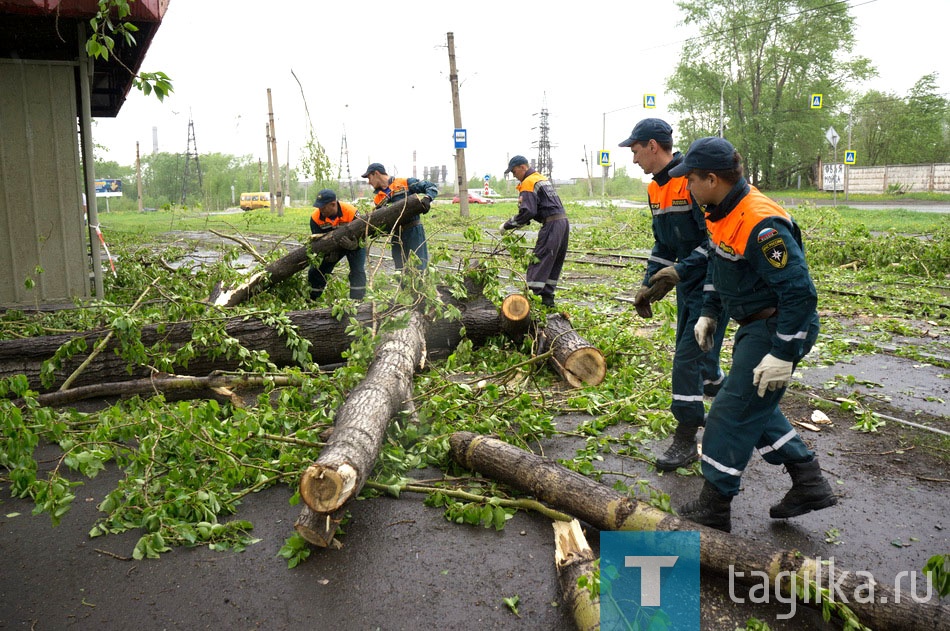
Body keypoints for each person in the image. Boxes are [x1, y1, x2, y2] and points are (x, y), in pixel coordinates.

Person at [669, 136, 836, 533]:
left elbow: (800, 293)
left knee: (729, 411)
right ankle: (809, 481)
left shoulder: (760, 223)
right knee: (756, 405)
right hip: (755, 325)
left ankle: (715, 503)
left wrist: (782, 352)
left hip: (777, 325)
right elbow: (718, 264)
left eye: (691, 179)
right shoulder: (721, 211)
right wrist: (709, 312)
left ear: (712, 179)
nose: (687, 188)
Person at [618, 118, 729, 472]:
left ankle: (685, 439)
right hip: (689, 286)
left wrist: (681, 270)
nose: (634, 159)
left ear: (653, 146)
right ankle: (733, 410)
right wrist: (649, 284)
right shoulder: (655, 189)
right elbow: (665, 242)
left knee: (686, 360)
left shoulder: (691, 180)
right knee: (705, 364)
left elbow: (717, 240)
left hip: (713, 282)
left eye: (635, 151)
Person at [500, 155, 570, 307]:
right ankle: (547, 301)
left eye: (514, 172)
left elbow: (528, 211)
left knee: (539, 261)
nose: (514, 176)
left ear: (523, 167)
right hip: (562, 223)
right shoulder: (541, 178)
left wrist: (508, 225)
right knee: (552, 262)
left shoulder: (528, 182)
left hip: (551, 224)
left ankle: (531, 302)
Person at [361, 163, 437, 272]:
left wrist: (427, 198)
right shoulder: (378, 199)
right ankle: (403, 289)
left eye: (369, 177)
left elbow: (431, 186)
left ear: (376, 173)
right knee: (400, 269)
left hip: (413, 231)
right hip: (396, 235)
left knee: (418, 267)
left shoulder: (404, 183)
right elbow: (382, 223)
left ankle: (420, 287)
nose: (369, 182)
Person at [308, 188, 366, 300]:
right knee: (317, 270)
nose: (321, 210)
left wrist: (355, 246)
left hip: (353, 244)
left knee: (357, 270)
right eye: (319, 207)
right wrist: (328, 253)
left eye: (323, 207)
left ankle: (357, 301)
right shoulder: (315, 218)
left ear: (333, 204)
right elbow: (318, 242)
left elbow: (363, 235)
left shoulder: (351, 212)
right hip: (331, 247)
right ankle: (312, 299)